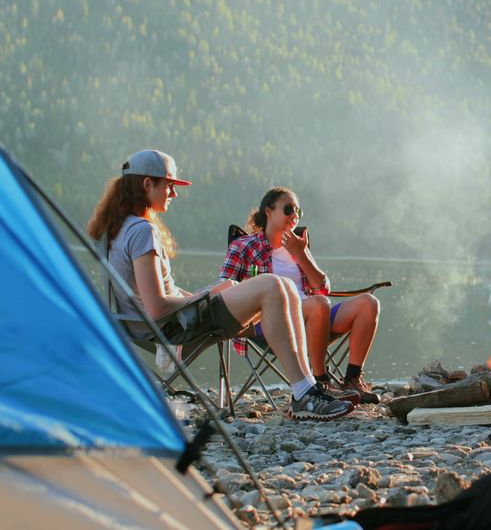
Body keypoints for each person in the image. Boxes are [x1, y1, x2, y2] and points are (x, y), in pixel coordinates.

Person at [88, 149, 354, 421]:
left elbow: (150, 299)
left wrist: (204, 293)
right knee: (273, 286)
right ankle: (304, 393)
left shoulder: (118, 229)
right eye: (169, 186)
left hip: (155, 321)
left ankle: (307, 388)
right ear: (147, 184)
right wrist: (207, 294)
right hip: (172, 326)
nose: (174, 194)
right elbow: (156, 308)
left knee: (285, 288)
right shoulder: (142, 231)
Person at [220, 187, 380, 404]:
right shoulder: (244, 246)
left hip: (315, 320)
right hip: (268, 323)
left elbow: (323, 288)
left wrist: (301, 253)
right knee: (319, 304)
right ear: (268, 211)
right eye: (288, 209)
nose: (294, 216)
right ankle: (319, 381)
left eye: (298, 211)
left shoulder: (298, 245)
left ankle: (352, 380)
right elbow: (224, 288)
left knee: (368, 303)